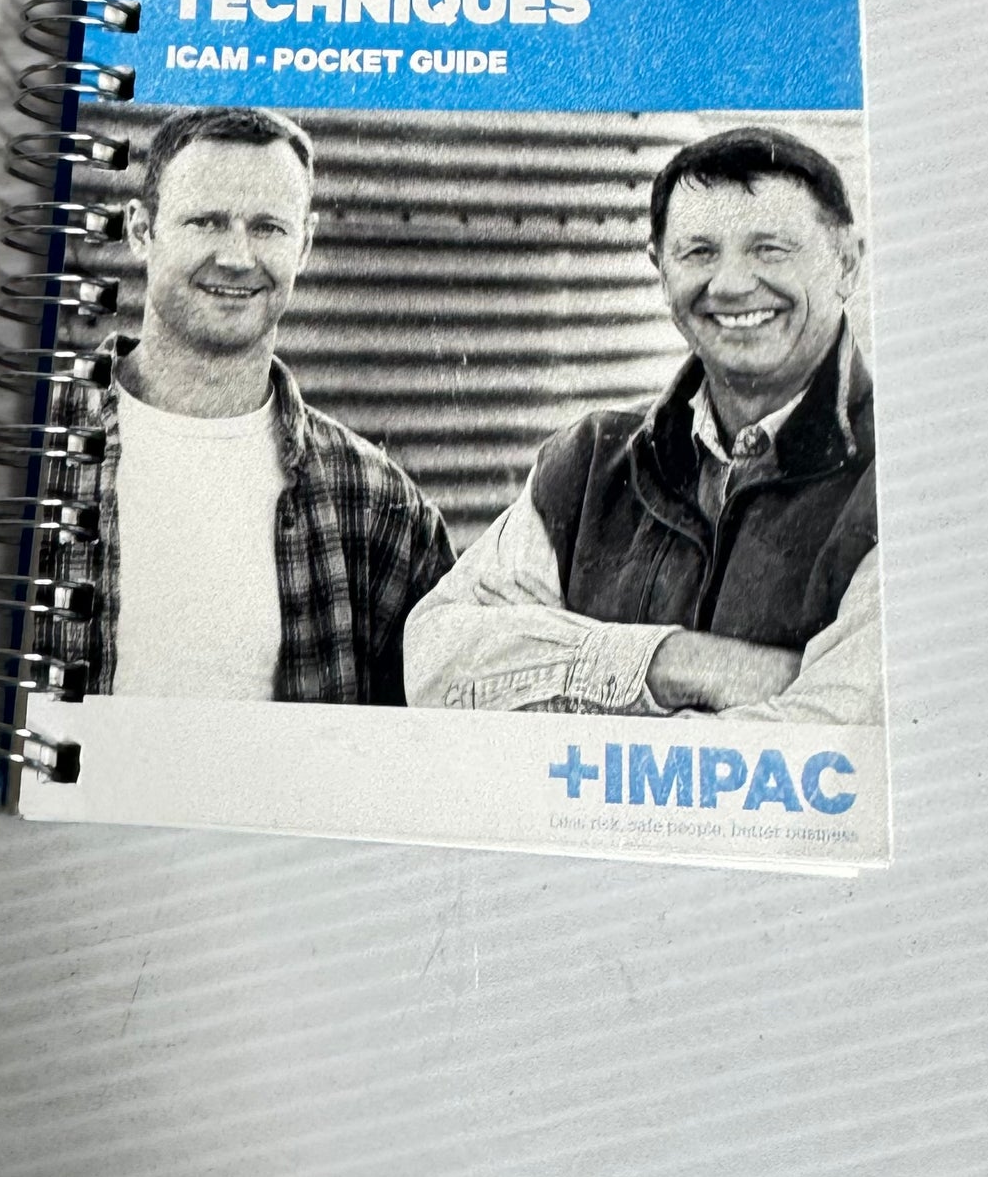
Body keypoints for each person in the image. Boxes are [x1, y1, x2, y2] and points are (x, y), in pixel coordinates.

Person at [405, 125, 881, 724]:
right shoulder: (588, 463)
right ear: (660, 270)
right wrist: (673, 662)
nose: (731, 284)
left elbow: (830, 737)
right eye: (698, 252)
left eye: (770, 249)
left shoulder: (898, 474)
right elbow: (433, 662)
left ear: (847, 262)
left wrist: (557, 676)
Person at [48, 105, 452, 702]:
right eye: (206, 222)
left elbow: (435, 729)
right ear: (140, 232)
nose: (237, 257)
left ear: (304, 244)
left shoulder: (378, 507)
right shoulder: (35, 448)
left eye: (268, 228)